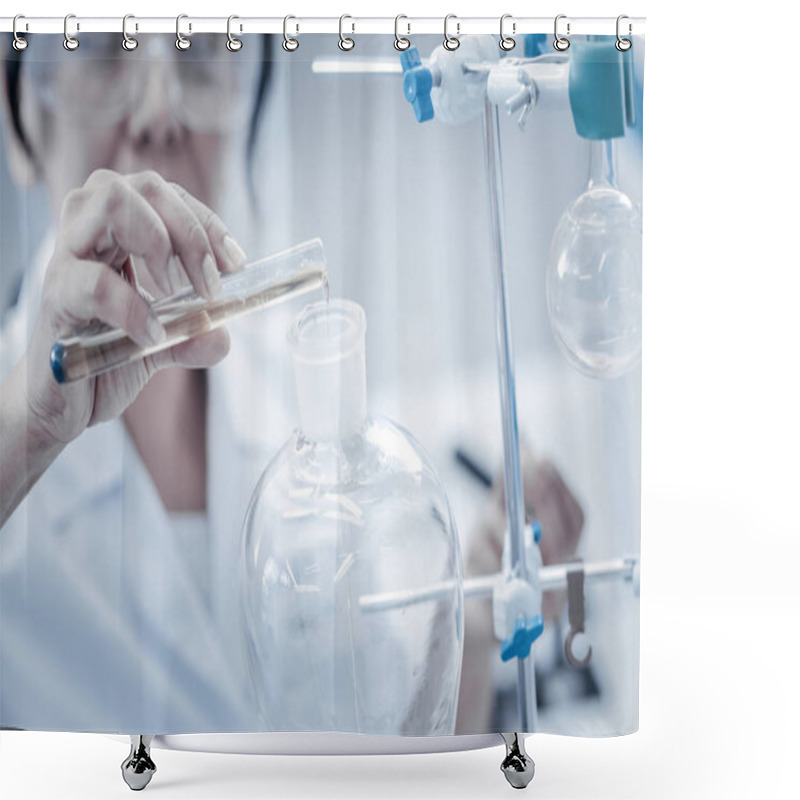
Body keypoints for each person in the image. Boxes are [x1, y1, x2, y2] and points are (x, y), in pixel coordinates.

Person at [0, 32, 583, 735]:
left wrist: (475, 627)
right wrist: (28, 425)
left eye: (199, 56)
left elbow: (384, 759)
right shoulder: (13, 428)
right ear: (19, 127)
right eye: (96, 51)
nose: (160, 112)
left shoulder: (293, 403)